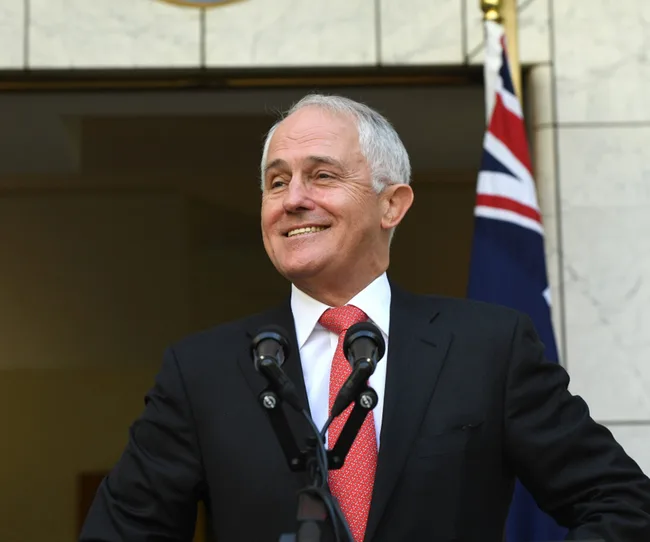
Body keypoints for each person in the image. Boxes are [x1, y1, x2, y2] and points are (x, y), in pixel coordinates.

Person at [80, 94, 650, 542]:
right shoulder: (202, 370)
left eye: (322, 175)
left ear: (391, 204)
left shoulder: (487, 348)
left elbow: (624, 505)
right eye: (277, 182)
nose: (292, 199)